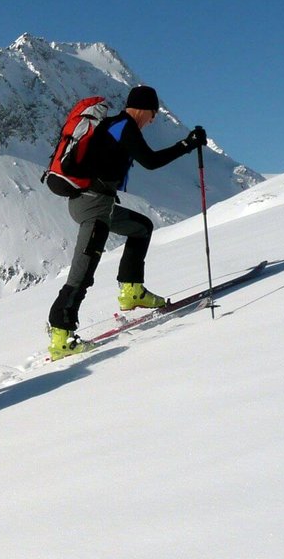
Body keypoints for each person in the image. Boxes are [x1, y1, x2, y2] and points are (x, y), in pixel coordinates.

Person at [47, 85, 207, 360]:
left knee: (141, 228)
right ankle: (61, 336)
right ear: (144, 109)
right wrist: (188, 144)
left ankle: (132, 290)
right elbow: (151, 161)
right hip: (94, 205)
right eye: (153, 114)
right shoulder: (125, 126)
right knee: (82, 273)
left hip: (98, 202)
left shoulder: (112, 125)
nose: (152, 120)